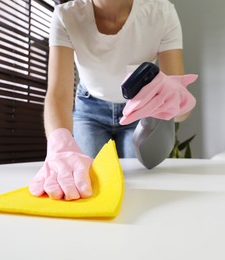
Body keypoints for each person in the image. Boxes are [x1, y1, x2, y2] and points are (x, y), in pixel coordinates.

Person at [29, 0, 196, 200]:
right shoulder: (66, 15)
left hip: (140, 110)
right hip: (89, 109)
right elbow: (59, 94)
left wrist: (177, 103)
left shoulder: (162, 13)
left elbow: (180, 112)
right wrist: (59, 143)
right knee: (87, 183)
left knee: (142, 185)